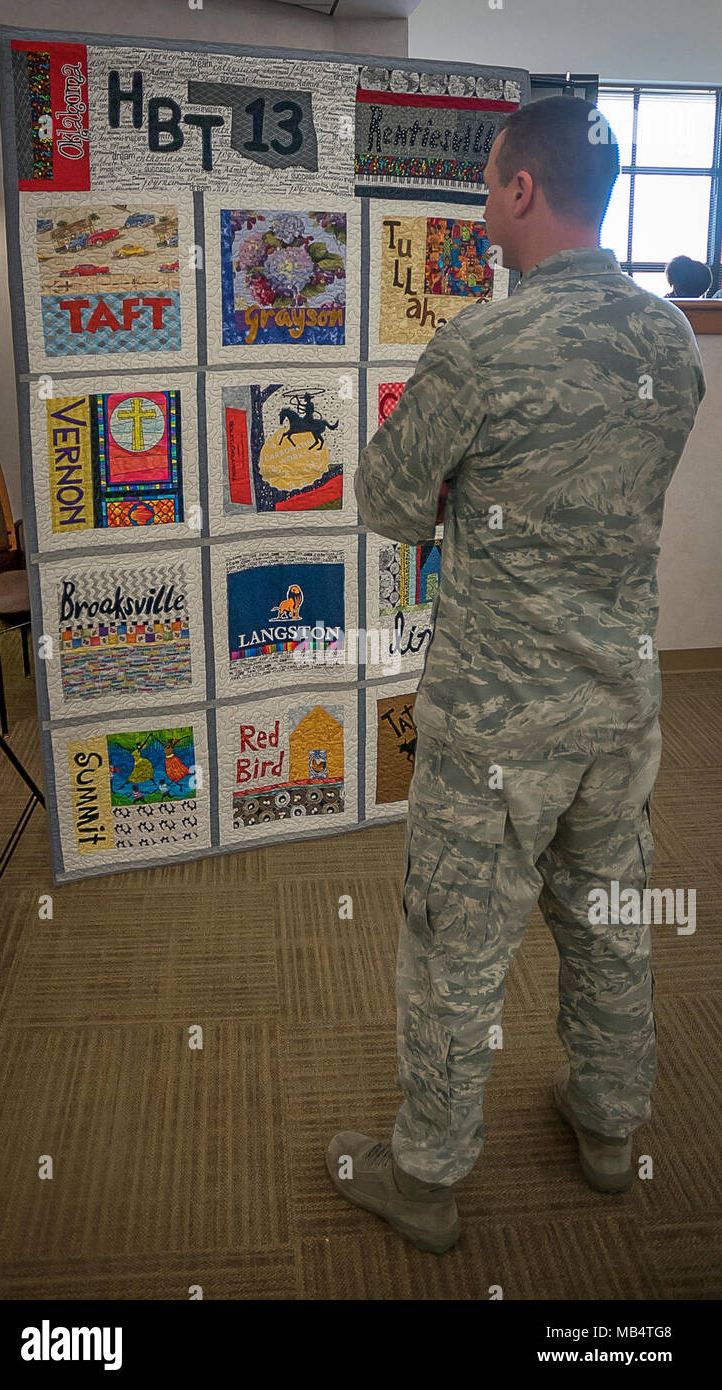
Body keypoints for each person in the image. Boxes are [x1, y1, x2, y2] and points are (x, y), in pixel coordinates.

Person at [327, 95, 706, 1254]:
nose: (483, 205)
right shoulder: (669, 344)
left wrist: (461, 495)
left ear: (524, 192)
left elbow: (388, 500)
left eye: (491, 184)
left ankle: (427, 1176)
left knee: (454, 944)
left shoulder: (481, 346)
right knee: (611, 923)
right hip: (620, 713)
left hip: (494, 724)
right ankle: (607, 1126)